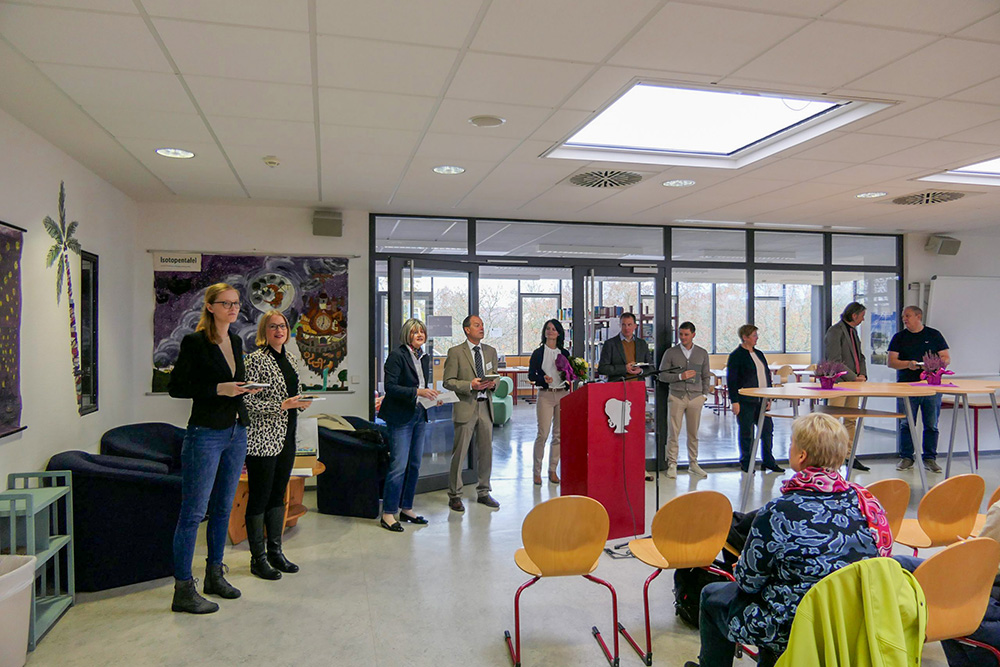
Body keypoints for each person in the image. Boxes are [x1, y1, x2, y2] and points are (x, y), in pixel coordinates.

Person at [686, 413, 892, 667]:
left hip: (795, 623)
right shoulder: (867, 502)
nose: (789, 447)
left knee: (712, 596)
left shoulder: (779, 511)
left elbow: (748, 583)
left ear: (802, 455)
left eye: (792, 442)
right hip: (853, 618)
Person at [167, 283, 260, 614]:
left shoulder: (235, 341)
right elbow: (177, 387)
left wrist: (243, 390)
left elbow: (234, 384)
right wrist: (220, 388)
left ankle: (214, 575)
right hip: (205, 433)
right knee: (193, 513)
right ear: (210, 306)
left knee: (223, 508)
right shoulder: (195, 342)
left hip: (236, 431)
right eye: (226, 303)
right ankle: (182, 589)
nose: (233, 309)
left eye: (236, 304)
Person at [242, 310, 312, 580]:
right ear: (264, 331)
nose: (279, 330)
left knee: (278, 495)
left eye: (282, 326)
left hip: (287, 436)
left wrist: (301, 402)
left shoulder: (291, 359)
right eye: (273, 326)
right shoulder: (255, 360)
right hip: (262, 439)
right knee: (260, 496)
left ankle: (275, 552)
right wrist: (281, 405)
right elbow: (246, 401)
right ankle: (257, 559)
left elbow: (293, 395)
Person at [377, 318, 439, 531]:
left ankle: (406, 508)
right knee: (398, 466)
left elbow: (421, 385)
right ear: (407, 335)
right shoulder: (397, 355)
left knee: (414, 464)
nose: (420, 335)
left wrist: (432, 397)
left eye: (422, 331)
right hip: (400, 416)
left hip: (420, 413)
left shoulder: (424, 357)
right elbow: (390, 387)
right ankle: (388, 513)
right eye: (415, 332)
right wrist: (418, 392)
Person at [443, 315, 500, 512]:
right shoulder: (455, 352)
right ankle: (455, 495)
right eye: (477, 325)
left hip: (486, 407)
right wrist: (470, 385)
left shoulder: (490, 351)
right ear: (467, 329)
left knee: (486, 452)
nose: (481, 328)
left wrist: (493, 384)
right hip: (466, 406)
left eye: (482, 325)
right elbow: (448, 381)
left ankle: (484, 492)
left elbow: (496, 376)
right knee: (459, 453)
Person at [887, 305, 950, 473]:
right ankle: (906, 457)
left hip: (931, 387)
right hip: (906, 387)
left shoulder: (934, 335)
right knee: (906, 423)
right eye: (903, 316)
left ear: (918, 316)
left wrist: (933, 364)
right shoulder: (899, 337)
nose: (904, 319)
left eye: (907, 316)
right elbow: (891, 361)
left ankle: (930, 458)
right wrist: (908, 364)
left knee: (931, 424)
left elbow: (946, 358)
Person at [658, 321, 713, 478]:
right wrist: (680, 376)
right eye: (681, 334)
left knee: (693, 433)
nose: (683, 337)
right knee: (673, 432)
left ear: (693, 335)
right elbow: (662, 375)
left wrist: (703, 395)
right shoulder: (671, 353)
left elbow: (706, 375)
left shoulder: (702, 353)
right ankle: (672, 464)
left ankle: (693, 463)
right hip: (677, 396)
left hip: (696, 398)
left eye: (686, 334)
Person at [726, 324, 782, 473]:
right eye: (754, 335)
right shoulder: (736, 356)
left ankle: (768, 461)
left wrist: (769, 397)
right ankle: (747, 462)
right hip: (746, 401)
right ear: (745, 337)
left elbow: (766, 375)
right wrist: (734, 401)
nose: (757, 338)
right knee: (747, 433)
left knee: (767, 431)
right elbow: (732, 380)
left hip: (762, 400)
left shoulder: (759, 354)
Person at [823, 301, 871, 472]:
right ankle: (829, 458)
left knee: (851, 419)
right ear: (854, 315)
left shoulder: (853, 332)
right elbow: (834, 360)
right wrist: (853, 377)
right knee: (833, 420)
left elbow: (860, 356)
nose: (863, 320)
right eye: (862, 316)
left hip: (854, 383)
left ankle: (849, 456)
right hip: (840, 383)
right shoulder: (835, 331)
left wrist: (862, 375)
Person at [527, 319, 570, 485]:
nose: (550, 331)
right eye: (548, 328)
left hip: (562, 394)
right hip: (545, 395)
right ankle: (536, 472)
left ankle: (553, 470)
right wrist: (542, 379)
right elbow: (532, 375)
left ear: (559, 333)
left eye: (553, 329)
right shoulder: (538, 353)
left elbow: (569, 373)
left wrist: (570, 379)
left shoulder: (564, 353)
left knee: (558, 435)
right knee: (543, 434)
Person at [597, 312, 652, 382]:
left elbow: (651, 368)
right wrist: (624, 369)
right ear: (620, 325)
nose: (626, 328)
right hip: (618, 386)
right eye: (623, 325)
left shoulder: (642, 344)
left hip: (638, 385)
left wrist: (641, 371)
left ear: (635, 326)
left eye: (629, 325)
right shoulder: (610, 344)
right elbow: (602, 369)